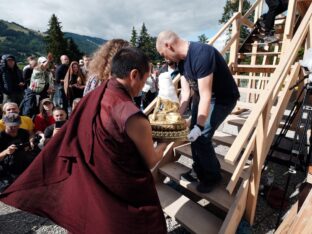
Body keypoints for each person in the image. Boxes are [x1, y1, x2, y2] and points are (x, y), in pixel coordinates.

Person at [0, 47, 168, 233]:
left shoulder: (95, 95)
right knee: (147, 222)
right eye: (144, 79)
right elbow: (151, 160)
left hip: (98, 175)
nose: (144, 86)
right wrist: (166, 141)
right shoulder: (132, 116)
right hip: (123, 188)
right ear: (134, 74)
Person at [156, 31, 240, 193]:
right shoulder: (181, 62)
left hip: (222, 98)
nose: (165, 59)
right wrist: (176, 118)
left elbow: (207, 95)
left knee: (201, 137)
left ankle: (213, 176)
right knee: (192, 134)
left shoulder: (202, 53)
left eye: (163, 54)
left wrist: (199, 127)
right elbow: (186, 94)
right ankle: (198, 170)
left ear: (168, 45)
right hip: (201, 98)